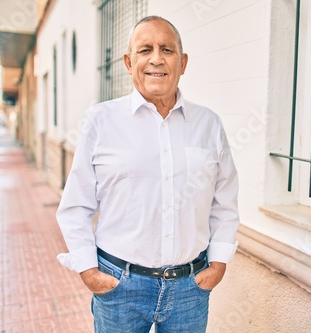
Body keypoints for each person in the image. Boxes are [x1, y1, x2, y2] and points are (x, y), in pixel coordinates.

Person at [56, 15, 239, 333]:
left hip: (189, 290)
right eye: (145, 50)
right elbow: (76, 205)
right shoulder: (100, 121)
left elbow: (224, 199)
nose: (156, 59)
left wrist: (219, 263)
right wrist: (89, 271)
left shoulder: (209, 124)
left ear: (182, 63)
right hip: (119, 287)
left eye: (167, 49)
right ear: (129, 62)